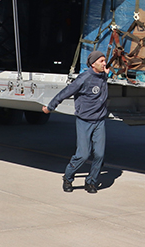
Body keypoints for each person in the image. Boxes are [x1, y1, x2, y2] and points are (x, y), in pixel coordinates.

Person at [43, 50, 109, 194]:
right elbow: (65, 92)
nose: (105, 63)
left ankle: (91, 182)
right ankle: (68, 177)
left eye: (105, 61)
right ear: (93, 64)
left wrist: (107, 73)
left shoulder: (103, 75)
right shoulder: (84, 78)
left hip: (99, 121)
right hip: (84, 121)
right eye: (101, 61)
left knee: (99, 154)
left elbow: (107, 73)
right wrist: (50, 107)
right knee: (83, 154)